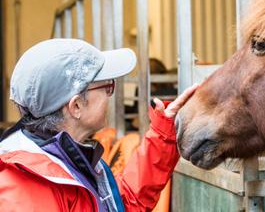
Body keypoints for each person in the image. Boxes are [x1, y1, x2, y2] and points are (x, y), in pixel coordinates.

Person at [0, 38, 198, 212]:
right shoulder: (25, 187)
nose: (110, 95)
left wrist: (163, 133)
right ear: (76, 106)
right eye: (107, 86)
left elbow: (119, 205)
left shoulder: (67, 159)